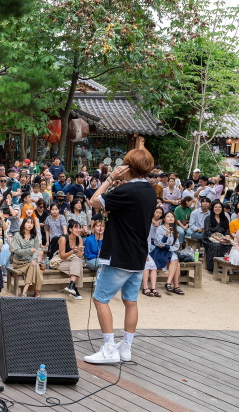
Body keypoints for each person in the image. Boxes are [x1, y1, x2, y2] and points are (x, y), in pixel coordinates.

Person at [85, 148, 156, 364]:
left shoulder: (126, 190)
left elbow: (93, 201)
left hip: (119, 255)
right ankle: (126, 347)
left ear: (128, 168)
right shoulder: (150, 190)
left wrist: (109, 179)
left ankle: (109, 348)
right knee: (130, 301)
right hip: (138, 255)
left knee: (100, 299)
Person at [151, 212, 184, 295]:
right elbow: (160, 244)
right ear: (164, 219)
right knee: (176, 263)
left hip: (169, 251)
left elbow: (176, 246)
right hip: (159, 251)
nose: (170, 218)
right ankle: (175, 286)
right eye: (168, 216)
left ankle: (169, 283)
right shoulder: (160, 229)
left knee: (176, 262)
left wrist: (168, 248)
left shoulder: (175, 230)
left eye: (172, 216)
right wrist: (166, 235)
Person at [11, 216, 43, 297]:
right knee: (35, 266)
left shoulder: (34, 236)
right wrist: (29, 251)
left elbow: (37, 249)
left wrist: (34, 259)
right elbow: (17, 251)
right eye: (28, 222)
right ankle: (36, 291)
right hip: (19, 262)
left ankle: (25, 289)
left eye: (31, 223)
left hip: (30, 261)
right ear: (23, 224)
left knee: (33, 265)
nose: (29, 225)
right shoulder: (17, 235)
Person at [56, 220, 85, 300]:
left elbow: (78, 256)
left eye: (79, 228)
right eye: (76, 228)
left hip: (73, 262)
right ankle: (74, 289)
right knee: (78, 266)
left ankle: (71, 286)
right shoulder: (63, 238)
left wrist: (80, 253)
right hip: (60, 261)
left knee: (77, 262)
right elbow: (62, 256)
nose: (78, 230)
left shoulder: (79, 239)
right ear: (70, 229)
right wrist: (72, 251)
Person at [202, 200, 231, 272]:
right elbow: (207, 231)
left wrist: (227, 237)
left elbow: (227, 230)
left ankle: (225, 266)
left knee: (229, 246)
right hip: (209, 238)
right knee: (216, 246)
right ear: (212, 208)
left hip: (222, 237)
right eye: (215, 207)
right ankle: (213, 267)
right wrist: (218, 239)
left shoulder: (224, 218)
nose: (217, 209)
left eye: (219, 207)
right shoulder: (208, 218)